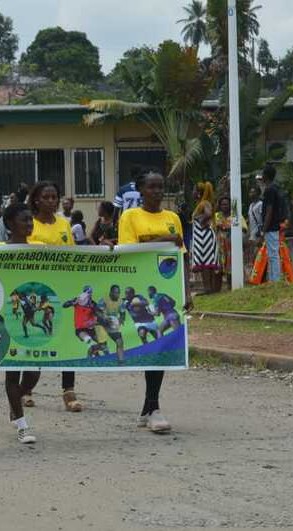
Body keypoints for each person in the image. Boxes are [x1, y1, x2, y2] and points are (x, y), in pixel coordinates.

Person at [118, 170, 193, 433]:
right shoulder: (130, 216)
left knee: (160, 347)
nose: (157, 192)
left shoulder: (172, 218)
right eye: (152, 187)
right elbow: (129, 250)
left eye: (161, 187)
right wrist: (165, 239)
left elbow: (182, 255)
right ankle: (150, 408)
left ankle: (152, 408)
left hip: (167, 289)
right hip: (141, 290)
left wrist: (187, 291)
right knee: (149, 347)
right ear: (141, 189)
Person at [26, 181, 82, 413]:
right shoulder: (29, 223)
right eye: (46, 197)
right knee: (38, 335)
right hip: (38, 289)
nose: (51, 201)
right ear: (36, 200)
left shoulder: (64, 223)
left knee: (67, 336)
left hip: (63, 287)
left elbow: (72, 253)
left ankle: (68, 390)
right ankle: (26, 388)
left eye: (54, 197)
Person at [0, 202, 39, 444]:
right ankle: (22, 424)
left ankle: (15, 402)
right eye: (24, 220)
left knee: (34, 372)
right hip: (7, 318)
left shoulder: (40, 249)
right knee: (12, 373)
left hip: (31, 318)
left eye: (31, 219)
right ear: (10, 223)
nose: (29, 224)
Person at [214, 196, 247, 291]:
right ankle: (217, 289)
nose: (224, 206)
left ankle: (231, 286)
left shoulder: (235, 215)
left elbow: (244, 228)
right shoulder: (217, 215)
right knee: (220, 265)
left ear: (230, 205)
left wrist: (232, 228)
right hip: (220, 245)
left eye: (226, 204)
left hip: (232, 246)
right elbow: (216, 227)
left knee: (231, 265)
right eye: (222, 204)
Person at [191, 181, 218, 294]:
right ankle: (209, 288)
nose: (192, 192)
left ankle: (207, 288)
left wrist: (201, 222)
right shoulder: (202, 203)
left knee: (205, 262)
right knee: (206, 261)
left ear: (198, 193)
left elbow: (208, 213)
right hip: (202, 236)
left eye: (194, 190)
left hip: (203, 237)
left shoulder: (204, 203)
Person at [259, 165, 284, 282]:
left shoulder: (269, 190)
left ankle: (276, 280)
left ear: (266, 176)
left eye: (263, 174)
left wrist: (264, 229)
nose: (261, 176)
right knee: (272, 254)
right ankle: (274, 279)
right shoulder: (275, 188)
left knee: (273, 254)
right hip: (273, 226)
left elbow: (269, 211)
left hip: (271, 227)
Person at [96, 285, 125, 365]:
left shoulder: (121, 302)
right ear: (111, 292)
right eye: (115, 293)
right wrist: (104, 318)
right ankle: (92, 349)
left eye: (118, 293)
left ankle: (121, 363)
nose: (117, 295)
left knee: (120, 342)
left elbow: (123, 313)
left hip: (112, 325)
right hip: (101, 324)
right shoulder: (104, 300)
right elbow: (97, 311)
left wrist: (121, 319)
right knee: (103, 346)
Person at [247, 185, 263, 273]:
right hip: (252, 235)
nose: (251, 194)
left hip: (258, 234)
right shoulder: (251, 205)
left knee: (257, 256)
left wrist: (261, 235)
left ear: (258, 193)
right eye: (250, 192)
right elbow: (250, 220)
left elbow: (263, 219)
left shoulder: (260, 204)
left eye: (253, 192)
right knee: (253, 256)